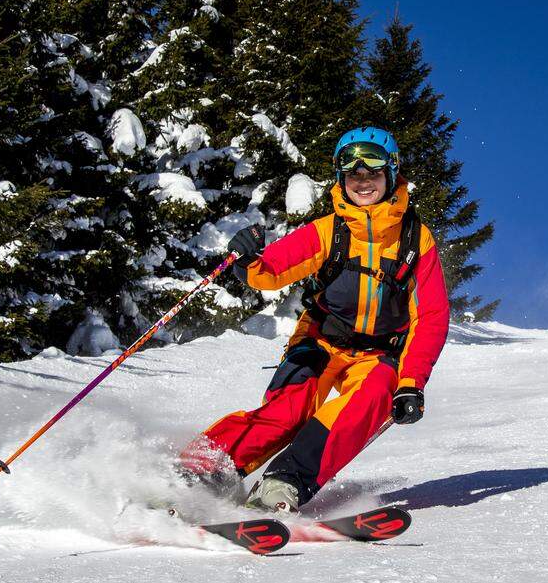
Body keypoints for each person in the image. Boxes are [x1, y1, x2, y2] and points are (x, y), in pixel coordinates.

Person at [177, 126, 450, 512]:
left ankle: (283, 483)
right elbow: (273, 268)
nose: (363, 181)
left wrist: (410, 382)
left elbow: (432, 316)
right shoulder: (330, 231)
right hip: (320, 339)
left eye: (373, 171)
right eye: (353, 173)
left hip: (377, 354)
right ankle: (200, 470)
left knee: (369, 399)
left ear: (391, 173)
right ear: (342, 178)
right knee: (288, 411)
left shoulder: (415, 241)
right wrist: (247, 261)